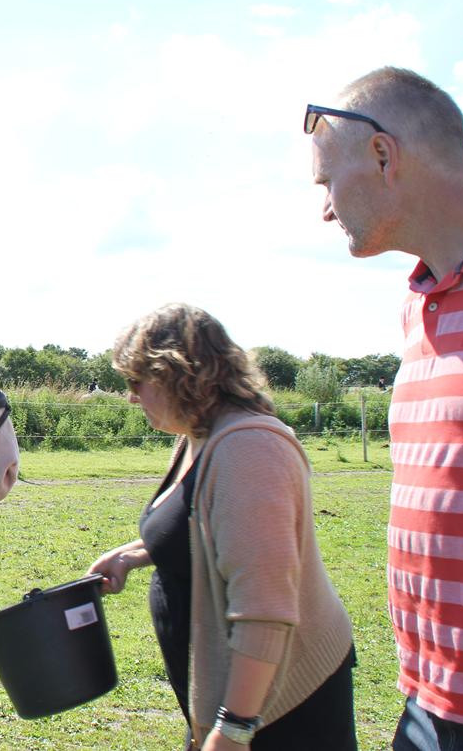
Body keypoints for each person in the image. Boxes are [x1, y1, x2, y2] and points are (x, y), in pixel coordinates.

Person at [308, 67, 463, 750]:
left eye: (326, 182)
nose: (324, 209)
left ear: (383, 155)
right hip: (429, 702)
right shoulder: (419, 300)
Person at [87, 303, 356, 750]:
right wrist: (133, 555)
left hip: (281, 704)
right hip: (239, 699)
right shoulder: (198, 436)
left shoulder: (249, 449)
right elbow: (205, 528)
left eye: (136, 382)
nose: (131, 398)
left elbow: (265, 609)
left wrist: (234, 728)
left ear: (175, 374)